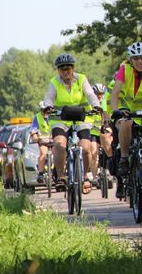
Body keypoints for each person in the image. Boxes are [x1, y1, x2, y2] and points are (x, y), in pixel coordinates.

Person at [109, 41, 142, 207]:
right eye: (136, 59)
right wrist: (116, 110)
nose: (140, 62)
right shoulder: (124, 70)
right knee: (125, 124)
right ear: (130, 60)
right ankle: (125, 159)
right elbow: (115, 94)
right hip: (129, 109)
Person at [42, 53, 102, 193]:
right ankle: (61, 177)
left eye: (68, 68)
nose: (66, 72)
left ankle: (85, 177)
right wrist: (47, 106)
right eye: (62, 69)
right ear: (58, 70)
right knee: (59, 144)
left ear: (73, 68)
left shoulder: (81, 79)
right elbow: (49, 97)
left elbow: (90, 94)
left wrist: (96, 105)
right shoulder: (54, 82)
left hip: (82, 117)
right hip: (60, 119)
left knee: (86, 148)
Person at [86, 83, 112, 187]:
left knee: (109, 145)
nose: (99, 96)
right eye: (97, 94)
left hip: (104, 130)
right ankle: (95, 176)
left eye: (101, 94)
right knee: (93, 151)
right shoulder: (90, 104)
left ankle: (110, 169)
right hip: (93, 131)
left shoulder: (106, 103)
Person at [30, 101, 52, 183]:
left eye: (47, 110)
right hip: (43, 140)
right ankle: (41, 173)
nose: (45, 112)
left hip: (53, 139)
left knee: (59, 153)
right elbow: (33, 129)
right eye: (43, 110)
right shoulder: (37, 117)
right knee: (43, 153)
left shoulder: (53, 116)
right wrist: (35, 137)